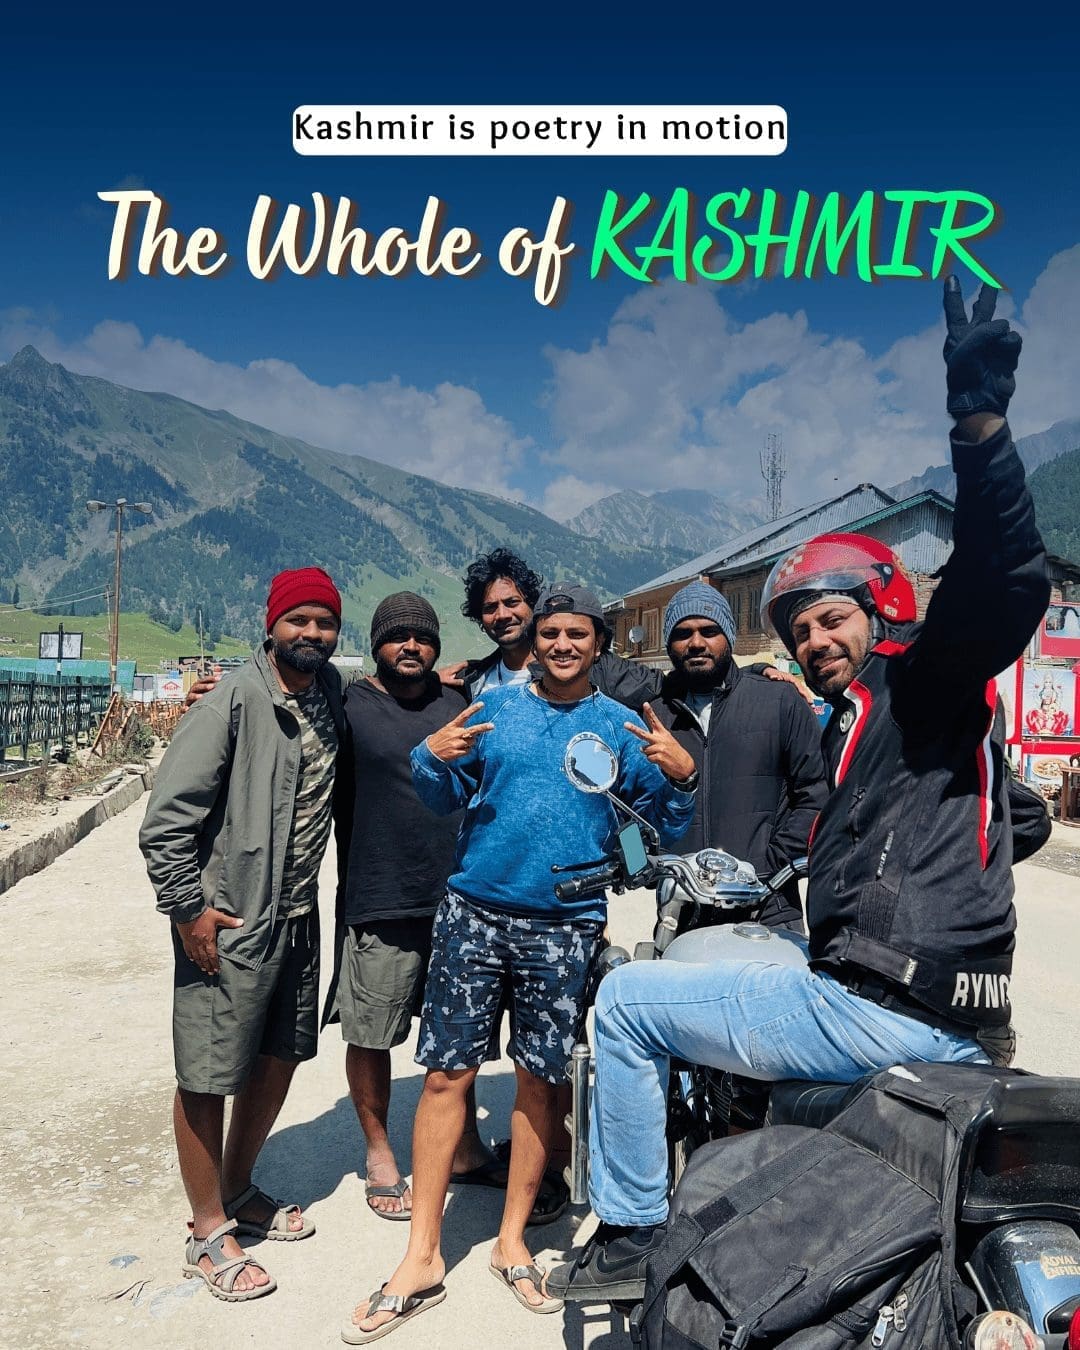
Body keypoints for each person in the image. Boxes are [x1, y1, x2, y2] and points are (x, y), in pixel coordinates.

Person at [550, 277, 1050, 1303]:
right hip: (961, 1008)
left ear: (881, 610)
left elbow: (1006, 579)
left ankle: (635, 1230)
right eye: (799, 629)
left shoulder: (919, 679)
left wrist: (981, 421)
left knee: (630, 1004)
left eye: (832, 618)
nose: (815, 639)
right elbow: (997, 819)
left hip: (886, 1004)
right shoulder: (892, 725)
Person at [343, 583, 697, 1339]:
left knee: (541, 1085)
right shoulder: (494, 711)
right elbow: (443, 797)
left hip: (566, 927)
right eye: (551, 633)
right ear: (534, 642)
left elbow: (657, 831)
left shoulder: (622, 729)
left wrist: (681, 777)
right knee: (445, 1076)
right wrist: (429, 757)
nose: (563, 644)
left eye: (578, 634)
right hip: (473, 915)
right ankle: (423, 1255)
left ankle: (512, 1245)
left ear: (600, 644)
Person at [139, 567, 346, 1302]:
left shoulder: (330, 698)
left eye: (325, 622)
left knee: (281, 1054)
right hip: (227, 918)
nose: (312, 633)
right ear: (271, 625)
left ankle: (235, 1187)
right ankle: (204, 1231)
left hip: (297, 915)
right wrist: (187, 910)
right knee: (207, 1070)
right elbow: (166, 824)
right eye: (299, 620)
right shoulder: (233, 698)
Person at [325, 591, 547, 1220]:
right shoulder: (350, 703)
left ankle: (466, 1147)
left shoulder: (460, 703)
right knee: (372, 1032)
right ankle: (379, 1151)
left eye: (421, 637)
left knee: (458, 1036)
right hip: (379, 895)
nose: (411, 646)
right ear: (377, 645)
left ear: (437, 646)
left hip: (460, 900)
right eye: (397, 637)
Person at [654, 579, 827, 930]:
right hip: (682, 913)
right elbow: (636, 806)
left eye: (709, 630)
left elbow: (817, 794)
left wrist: (770, 864)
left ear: (729, 637)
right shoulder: (653, 716)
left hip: (769, 909)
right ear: (669, 643)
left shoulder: (779, 701)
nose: (696, 643)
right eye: (683, 633)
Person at [446, 546, 665, 712]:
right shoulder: (473, 680)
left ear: (533, 606)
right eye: (490, 607)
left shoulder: (595, 667)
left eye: (512, 602)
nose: (502, 615)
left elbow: (663, 687)